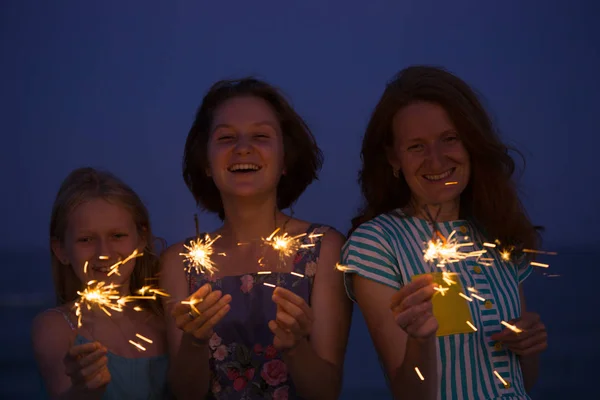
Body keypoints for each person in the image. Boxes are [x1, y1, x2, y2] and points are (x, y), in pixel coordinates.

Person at [341, 66, 548, 400]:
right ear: (395, 157)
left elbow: (525, 381)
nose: (436, 161)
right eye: (416, 147)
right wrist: (421, 340)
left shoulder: (498, 232)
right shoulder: (376, 244)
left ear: (471, 143)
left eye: (449, 139)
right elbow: (408, 392)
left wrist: (529, 346)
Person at [160, 77, 352, 399]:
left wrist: (294, 347)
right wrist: (194, 341)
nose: (243, 148)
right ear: (206, 162)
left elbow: (326, 392)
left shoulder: (324, 249)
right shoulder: (180, 263)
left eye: (261, 136)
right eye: (226, 138)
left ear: (285, 159)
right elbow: (183, 394)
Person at [31, 167, 170, 399]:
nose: (104, 253)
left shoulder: (166, 319)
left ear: (141, 239)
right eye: (86, 239)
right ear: (61, 250)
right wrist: (83, 391)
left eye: (117, 236)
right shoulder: (57, 328)